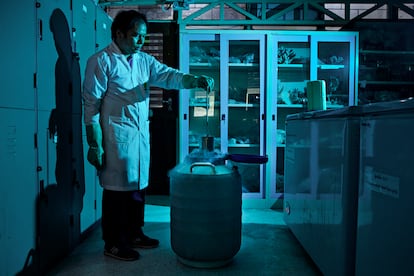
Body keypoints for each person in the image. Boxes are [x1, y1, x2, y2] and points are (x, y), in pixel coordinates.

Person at [82, 10, 214, 261]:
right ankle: (113, 242)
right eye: (135, 36)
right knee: (116, 191)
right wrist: (94, 144)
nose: (140, 41)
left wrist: (193, 79)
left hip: (139, 136)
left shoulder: (143, 60)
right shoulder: (101, 61)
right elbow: (91, 107)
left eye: (143, 36)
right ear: (119, 34)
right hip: (115, 136)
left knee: (138, 187)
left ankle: (134, 233)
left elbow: (168, 75)